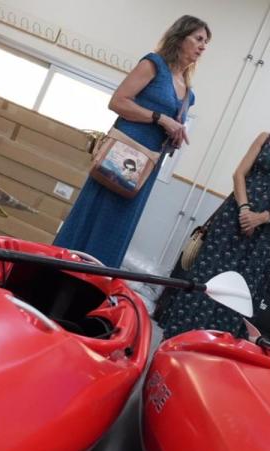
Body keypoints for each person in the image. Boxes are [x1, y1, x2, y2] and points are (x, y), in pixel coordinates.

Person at [156, 89, 270, 339]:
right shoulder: (265, 138)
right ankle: (178, 337)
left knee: (237, 289)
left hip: (265, 233)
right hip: (233, 217)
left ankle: (213, 348)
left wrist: (261, 218)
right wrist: (245, 210)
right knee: (207, 276)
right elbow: (239, 174)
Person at [53, 15, 210, 267]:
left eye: (206, 42)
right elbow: (117, 102)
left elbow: (169, 127)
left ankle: (93, 285)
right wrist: (159, 118)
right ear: (180, 37)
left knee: (119, 224)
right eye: (199, 38)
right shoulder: (153, 64)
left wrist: (174, 136)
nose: (203, 46)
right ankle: (57, 271)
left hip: (148, 165)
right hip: (121, 155)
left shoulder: (189, 94)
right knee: (93, 213)